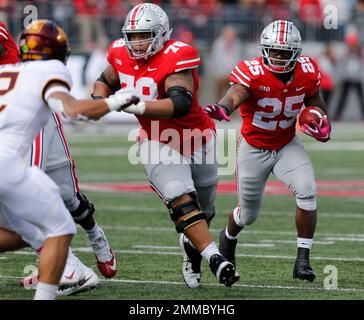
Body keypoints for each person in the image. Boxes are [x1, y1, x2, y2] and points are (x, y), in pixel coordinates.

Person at [92, 3, 239, 288]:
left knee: (205, 210)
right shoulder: (120, 52)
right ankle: (215, 259)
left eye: (143, 35)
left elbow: (180, 104)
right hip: (157, 139)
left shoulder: (178, 54)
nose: (136, 42)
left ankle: (193, 247)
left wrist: (136, 106)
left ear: (161, 34)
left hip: (197, 137)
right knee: (181, 198)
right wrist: (100, 101)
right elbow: (104, 81)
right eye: (132, 36)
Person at [0, 19, 136, 299]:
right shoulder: (46, 70)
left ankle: (84, 250)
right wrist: (116, 101)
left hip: (34, 114)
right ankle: (70, 269)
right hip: (15, 141)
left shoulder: (27, 70)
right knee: (44, 222)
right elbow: (74, 110)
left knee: (62, 199)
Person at [206, 20, 331, 282]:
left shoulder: (307, 70)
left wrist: (319, 119)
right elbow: (236, 94)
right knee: (247, 215)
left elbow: (315, 100)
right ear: (264, 49)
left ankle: (302, 261)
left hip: (286, 143)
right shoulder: (251, 71)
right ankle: (228, 237)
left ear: (296, 53)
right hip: (254, 147)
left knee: (307, 190)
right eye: (273, 50)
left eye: (284, 52)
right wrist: (223, 108)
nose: (278, 56)